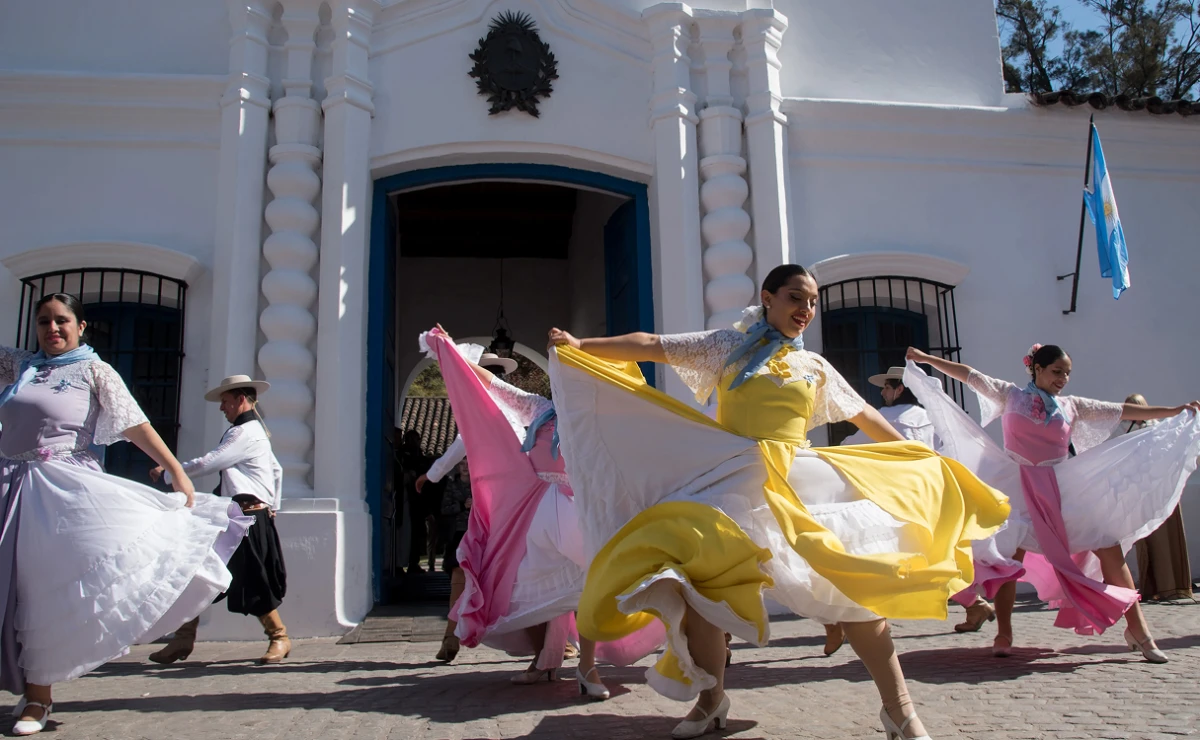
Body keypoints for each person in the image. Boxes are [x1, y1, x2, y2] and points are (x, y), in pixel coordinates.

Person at [547, 264, 1010, 740]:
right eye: (795, 298)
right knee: (702, 588)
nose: (805, 309)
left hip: (798, 482)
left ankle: (900, 710)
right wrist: (584, 347)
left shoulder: (814, 367)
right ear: (767, 299)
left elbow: (864, 412)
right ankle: (712, 701)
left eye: (810, 301)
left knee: (852, 592)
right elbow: (652, 345)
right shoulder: (726, 346)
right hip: (732, 479)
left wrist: (911, 453)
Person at [0, 293, 250, 736]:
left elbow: (135, 423)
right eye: (44, 322)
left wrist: (176, 470)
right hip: (7, 485)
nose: (52, 329)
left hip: (61, 494)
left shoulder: (94, 370)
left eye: (62, 321)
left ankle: (37, 697)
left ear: (81, 327)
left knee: (41, 592)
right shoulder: (20, 366)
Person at [906, 345, 1200, 663]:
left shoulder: (1071, 406)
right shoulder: (1010, 395)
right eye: (1057, 371)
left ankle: (1139, 631)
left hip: (1062, 486)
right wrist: (926, 359)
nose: (1063, 378)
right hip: (1017, 485)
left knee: (1108, 547)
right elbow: (969, 376)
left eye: (1067, 373)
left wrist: (1173, 411)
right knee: (1009, 557)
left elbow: (1122, 411)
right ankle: (1003, 631)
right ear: (1037, 369)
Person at [423, 328, 662, 701]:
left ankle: (588, 666)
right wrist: (452, 355)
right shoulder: (539, 408)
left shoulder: (598, 417)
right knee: (527, 585)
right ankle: (547, 660)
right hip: (537, 512)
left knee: (590, 584)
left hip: (578, 508)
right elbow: (494, 387)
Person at [147, 375, 289, 665]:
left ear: (240, 399)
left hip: (245, 517)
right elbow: (277, 470)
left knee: (251, 577)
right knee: (200, 570)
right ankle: (183, 638)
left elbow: (210, 462)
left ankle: (280, 637)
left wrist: (168, 473)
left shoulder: (243, 433)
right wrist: (273, 504)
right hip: (239, 514)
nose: (221, 408)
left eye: (225, 402)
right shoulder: (255, 431)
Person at [1121, 394, 1193, 603]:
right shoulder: (1123, 431)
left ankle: (1174, 587)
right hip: (1141, 497)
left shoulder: (1159, 430)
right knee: (1147, 543)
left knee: (1167, 542)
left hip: (1162, 493)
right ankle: (1152, 586)